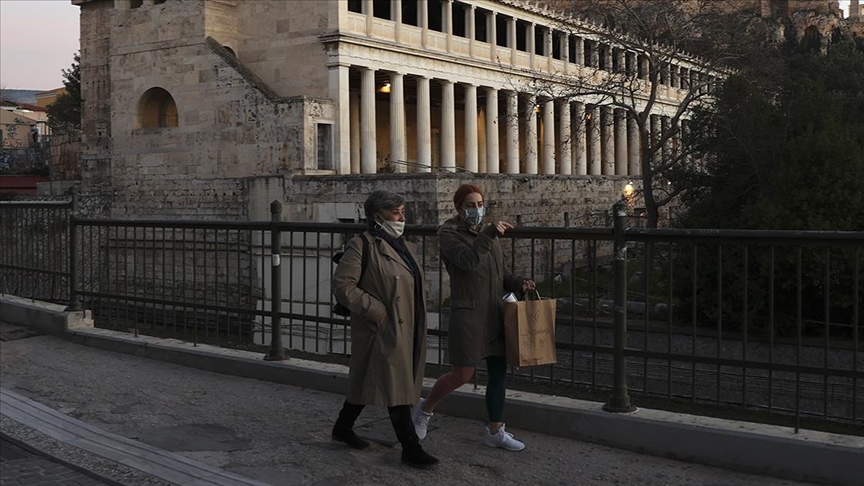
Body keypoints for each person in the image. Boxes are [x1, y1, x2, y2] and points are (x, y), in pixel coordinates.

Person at [412, 184, 535, 452]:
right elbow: (468, 262)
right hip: (468, 313)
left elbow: (499, 273)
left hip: (495, 312)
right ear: (459, 208)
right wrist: (489, 234)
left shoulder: (487, 234)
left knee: (498, 373)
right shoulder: (449, 235)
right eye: (470, 205)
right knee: (462, 374)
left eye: (480, 204)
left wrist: (518, 282)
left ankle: (496, 430)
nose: (476, 210)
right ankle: (424, 409)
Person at [330, 189, 438, 469]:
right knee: (396, 386)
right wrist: (374, 309)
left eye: (403, 212)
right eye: (396, 213)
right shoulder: (361, 245)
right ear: (378, 216)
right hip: (382, 326)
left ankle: (342, 427)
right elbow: (343, 286)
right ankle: (410, 447)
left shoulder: (403, 246)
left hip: (407, 323)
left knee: (371, 381)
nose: (402, 218)